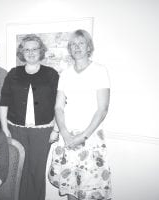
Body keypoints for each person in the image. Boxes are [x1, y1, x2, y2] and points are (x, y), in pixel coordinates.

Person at [52, 29, 112, 200]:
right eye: (72, 44)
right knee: (72, 188)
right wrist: (63, 132)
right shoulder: (65, 74)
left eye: (81, 43)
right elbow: (58, 107)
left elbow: (102, 109)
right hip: (68, 136)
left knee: (91, 191)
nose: (76, 47)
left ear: (88, 47)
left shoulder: (99, 70)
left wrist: (83, 137)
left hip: (90, 137)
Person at [0, 34, 59, 200]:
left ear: (41, 51)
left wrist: (56, 129)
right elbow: (4, 102)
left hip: (43, 132)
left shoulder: (51, 74)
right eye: (27, 49)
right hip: (16, 129)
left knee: (36, 171)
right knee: (18, 170)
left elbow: (59, 104)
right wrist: (5, 129)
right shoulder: (13, 73)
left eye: (35, 49)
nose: (31, 52)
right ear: (22, 52)